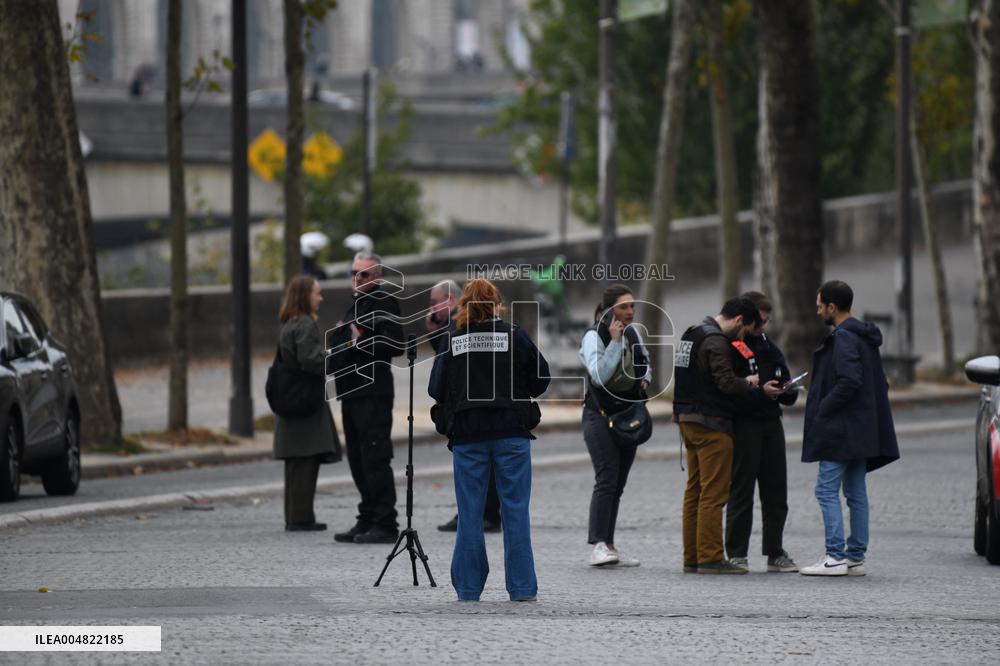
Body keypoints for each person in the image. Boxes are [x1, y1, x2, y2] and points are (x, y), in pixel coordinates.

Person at [428, 279, 550, 602]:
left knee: (469, 513)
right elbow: (542, 380)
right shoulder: (513, 336)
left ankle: (468, 588)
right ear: (497, 304)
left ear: (464, 306)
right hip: (511, 432)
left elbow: (435, 389)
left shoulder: (453, 340)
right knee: (516, 511)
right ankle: (522, 588)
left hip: (468, 436)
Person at [800, 280, 900, 576]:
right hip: (861, 428)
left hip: (840, 429)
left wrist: (822, 408)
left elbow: (849, 381)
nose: (818, 312)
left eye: (820, 306)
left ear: (832, 306)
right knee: (856, 492)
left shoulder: (843, 338)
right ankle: (855, 554)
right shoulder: (864, 336)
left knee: (825, 490)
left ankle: (835, 556)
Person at [673, 297, 762, 575]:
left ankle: (692, 557)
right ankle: (711, 557)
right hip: (712, 423)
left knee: (695, 490)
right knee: (713, 492)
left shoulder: (691, 334)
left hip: (686, 419)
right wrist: (748, 383)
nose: (744, 336)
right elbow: (725, 382)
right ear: (738, 320)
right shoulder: (716, 341)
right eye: (745, 329)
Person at [328, 253, 404, 544]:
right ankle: (367, 516)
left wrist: (358, 340)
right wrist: (343, 339)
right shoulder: (355, 306)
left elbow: (395, 342)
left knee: (375, 457)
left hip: (373, 393)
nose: (357, 279)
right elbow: (342, 344)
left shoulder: (384, 302)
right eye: (354, 273)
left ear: (377, 278)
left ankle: (385, 522)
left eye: (364, 275)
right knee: (358, 460)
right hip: (351, 392)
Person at [724, 291, 798, 572]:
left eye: (766, 322)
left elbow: (783, 377)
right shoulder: (732, 346)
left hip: (771, 422)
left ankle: (775, 550)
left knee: (776, 490)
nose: (762, 327)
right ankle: (736, 551)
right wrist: (760, 394)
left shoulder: (769, 345)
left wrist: (787, 390)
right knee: (741, 489)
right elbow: (731, 390)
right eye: (760, 322)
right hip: (745, 423)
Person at [579, 284, 651, 567]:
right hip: (599, 416)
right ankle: (598, 544)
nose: (630, 312)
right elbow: (599, 376)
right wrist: (615, 342)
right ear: (610, 309)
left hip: (627, 415)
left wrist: (645, 377)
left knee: (618, 483)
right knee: (607, 479)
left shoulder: (633, 332)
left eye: (632, 306)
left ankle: (609, 544)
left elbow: (645, 362)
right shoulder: (593, 336)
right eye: (624, 306)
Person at [427, 280, 502, 534]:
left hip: (467, 412)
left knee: (477, 467)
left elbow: (438, 380)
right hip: (496, 412)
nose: (431, 308)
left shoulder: (458, 331)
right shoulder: (508, 333)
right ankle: (482, 513)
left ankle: (482, 514)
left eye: (434, 302)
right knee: (488, 464)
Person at [272, 276, 342, 531]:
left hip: (293, 399)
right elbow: (311, 360)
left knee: (296, 465)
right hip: (304, 401)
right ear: (304, 296)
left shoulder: (290, 322)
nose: (321, 298)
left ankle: (296, 515)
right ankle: (301, 518)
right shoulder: (304, 324)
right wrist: (336, 352)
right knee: (305, 461)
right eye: (317, 293)